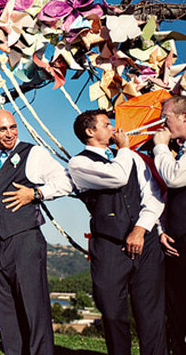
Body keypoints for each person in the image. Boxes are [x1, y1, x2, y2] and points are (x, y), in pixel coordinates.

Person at [0, 109, 72, 355]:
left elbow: (65, 181)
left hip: (25, 239)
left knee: (34, 308)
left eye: (13, 127)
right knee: (6, 309)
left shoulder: (33, 154)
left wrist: (36, 194)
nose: (9, 134)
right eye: (2, 129)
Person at [68, 110, 167, 355]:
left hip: (146, 244)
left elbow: (154, 197)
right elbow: (117, 177)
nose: (113, 128)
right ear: (90, 132)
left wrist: (141, 229)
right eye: (105, 124)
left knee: (151, 315)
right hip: (109, 248)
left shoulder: (132, 158)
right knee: (113, 315)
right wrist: (124, 149)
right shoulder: (79, 163)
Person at [153, 96, 186, 355]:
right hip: (177, 240)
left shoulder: (170, 151)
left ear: (184, 117)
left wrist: (160, 148)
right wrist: (163, 229)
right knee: (175, 308)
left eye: (167, 117)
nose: (163, 123)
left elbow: (174, 179)